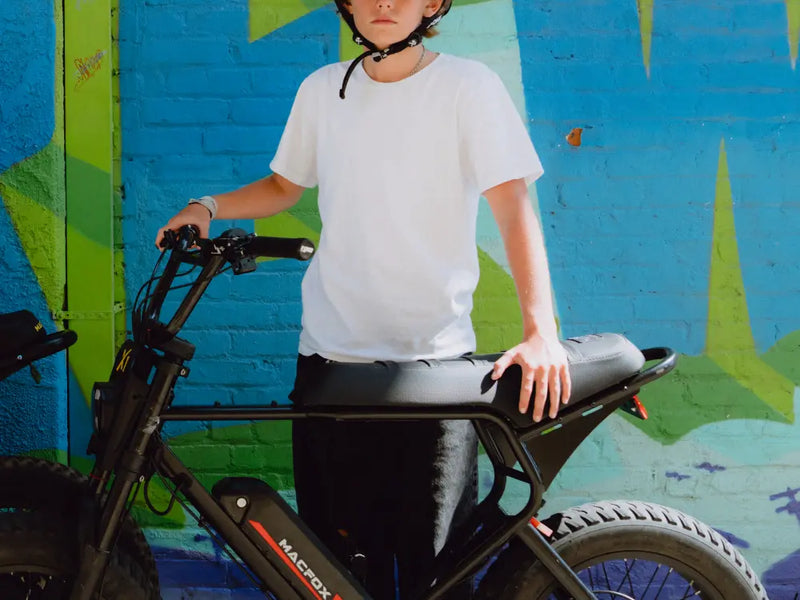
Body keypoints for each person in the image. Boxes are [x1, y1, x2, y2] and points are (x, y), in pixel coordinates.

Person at [156, 0, 571, 597]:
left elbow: (513, 205)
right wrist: (208, 207)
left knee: (437, 575)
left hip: (433, 371)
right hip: (331, 365)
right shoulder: (323, 91)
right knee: (336, 571)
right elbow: (283, 185)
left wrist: (542, 332)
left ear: (432, 5)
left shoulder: (467, 87)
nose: (384, 3)